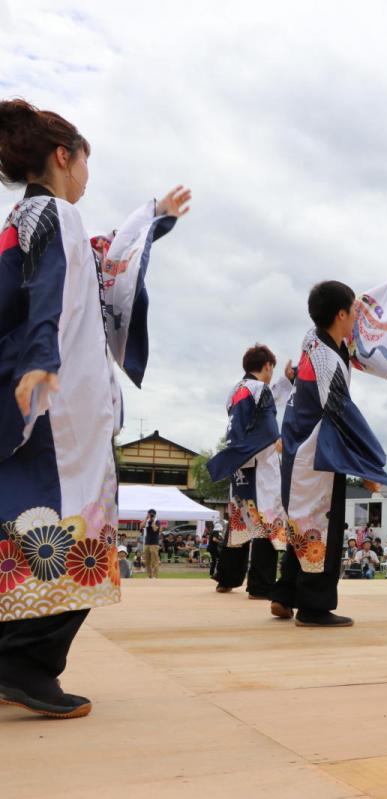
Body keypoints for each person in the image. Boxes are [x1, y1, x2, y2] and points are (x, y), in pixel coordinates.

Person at [0, 99, 189, 718]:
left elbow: (104, 264)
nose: (86, 175)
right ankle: (25, 666)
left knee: (32, 524)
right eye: (85, 161)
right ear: (63, 157)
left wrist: (153, 218)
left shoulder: (29, 215)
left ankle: (16, 660)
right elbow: (48, 289)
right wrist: (39, 359)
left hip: (45, 395)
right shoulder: (56, 215)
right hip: (60, 408)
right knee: (77, 530)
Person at [269, 262, 387, 627]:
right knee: (321, 526)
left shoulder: (315, 336)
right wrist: (368, 465)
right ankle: (313, 607)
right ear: (340, 315)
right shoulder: (328, 361)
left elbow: (355, 302)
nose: (359, 314)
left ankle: (284, 594)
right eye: (352, 310)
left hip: (298, 444)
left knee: (301, 523)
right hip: (315, 452)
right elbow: (342, 414)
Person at [208, 344, 294, 598]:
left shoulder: (237, 390)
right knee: (267, 520)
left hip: (238, 462)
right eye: (272, 369)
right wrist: (277, 439)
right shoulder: (259, 389)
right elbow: (267, 421)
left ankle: (226, 578)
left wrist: (286, 381)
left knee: (240, 521)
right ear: (267, 366)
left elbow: (266, 401)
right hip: (260, 462)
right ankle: (260, 585)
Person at [142, 511, 162, 578]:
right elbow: (141, 526)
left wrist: (153, 521)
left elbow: (155, 529)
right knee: (147, 561)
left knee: (154, 560)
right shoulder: (147, 521)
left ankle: (155, 576)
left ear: (155, 515)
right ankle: (149, 576)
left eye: (152, 515)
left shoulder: (157, 521)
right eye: (150, 514)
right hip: (147, 543)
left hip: (154, 543)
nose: (151, 516)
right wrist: (146, 518)